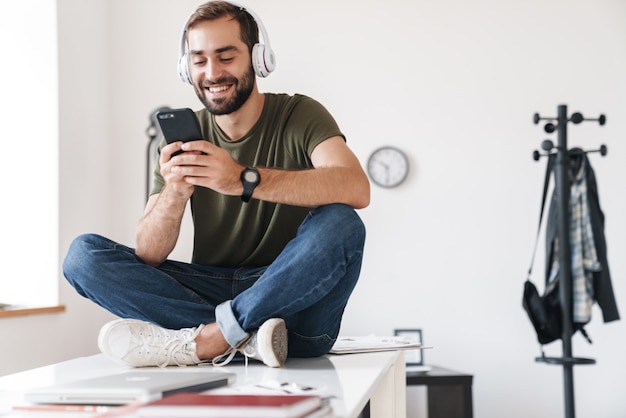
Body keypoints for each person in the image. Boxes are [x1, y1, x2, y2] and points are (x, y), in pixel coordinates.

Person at [63, 0, 370, 369]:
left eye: (226, 57)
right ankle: (242, 335)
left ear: (258, 59)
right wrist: (175, 192)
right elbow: (148, 253)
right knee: (83, 257)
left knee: (342, 222)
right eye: (199, 60)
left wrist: (242, 179)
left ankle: (214, 338)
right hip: (213, 290)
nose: (212, 72)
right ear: (185, 67)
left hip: (294, 303)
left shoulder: (299, 114)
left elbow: (355, 187)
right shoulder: (179, 143)